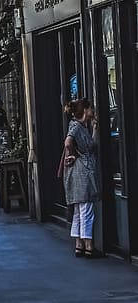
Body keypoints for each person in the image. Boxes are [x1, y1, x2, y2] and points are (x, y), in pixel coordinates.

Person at [62, 99, 101, 258]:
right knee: (86, 209)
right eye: (91, 108)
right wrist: (73, 154)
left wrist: (95, 128)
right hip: (82, 172)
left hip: (77, 171)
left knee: (79, 210)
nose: (93, 110)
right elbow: (68, 142)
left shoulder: (79, 126)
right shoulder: (77, 127)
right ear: (85, 110)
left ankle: (79, 244)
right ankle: (88, 245)